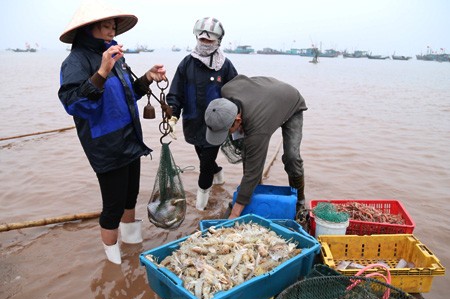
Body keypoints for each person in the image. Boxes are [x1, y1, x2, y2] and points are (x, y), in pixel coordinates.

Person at [58, 0, 166, 264]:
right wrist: (102, 71)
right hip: (106, 145)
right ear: (88, 29)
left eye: (113, 25)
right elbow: (74, 104)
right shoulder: (74, 61)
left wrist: (148, 78)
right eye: (106, 26)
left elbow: (130, 94)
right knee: (113, 206)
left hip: (130, 138)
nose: (112, 30)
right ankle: (113, 264)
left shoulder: (115, 55)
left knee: (130, 198)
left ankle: (132, 247)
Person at [204, 75, 308, 219]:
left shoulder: (257, 129)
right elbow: (243, 79)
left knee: (292, 157)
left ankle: (300, 201)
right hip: (266, 96)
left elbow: (252, 173)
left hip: (291, 102)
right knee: (248, 155)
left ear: (238, 120)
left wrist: (235, 213)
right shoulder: (226, 90)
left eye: (227, 130)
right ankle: (254, 196)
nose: (226, 135)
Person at [166, 17, 238, 211]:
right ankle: (219, 175)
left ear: (218, 42)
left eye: (210, 41)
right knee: (203, 157)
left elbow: (238, 92)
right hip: (192, 121)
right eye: (202, 40)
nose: (205, 44)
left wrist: (237, 119)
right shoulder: (186, 64)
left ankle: (200, 207)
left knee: (204, 165)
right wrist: (172, 115)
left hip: (216, 125)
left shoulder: (225, 65)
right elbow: (175, 93)